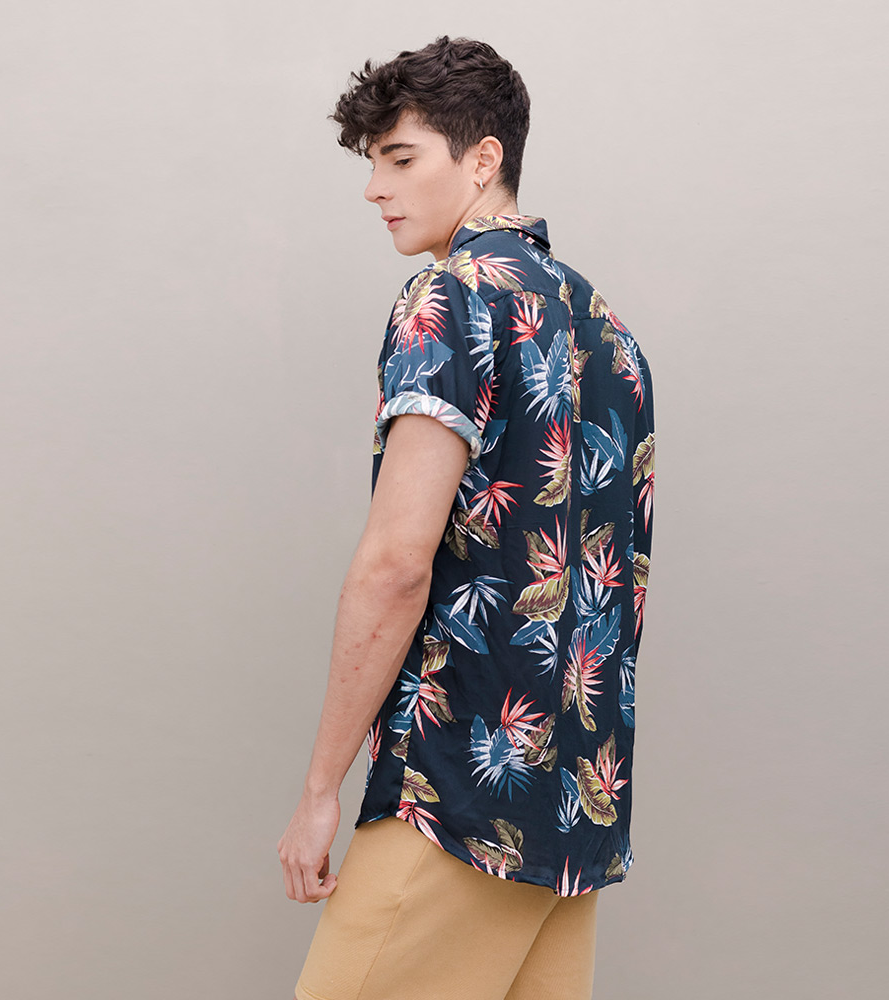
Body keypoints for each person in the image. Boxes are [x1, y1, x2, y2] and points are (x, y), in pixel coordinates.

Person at [278, 35, 655, 1000]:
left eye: (401, 159)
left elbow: (397, 564)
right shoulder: (609, 329)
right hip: (575, 802)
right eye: (373, 163)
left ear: (483, 158)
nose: (376, 188)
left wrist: (320, 790)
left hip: (457, 789)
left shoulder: (448, 298)